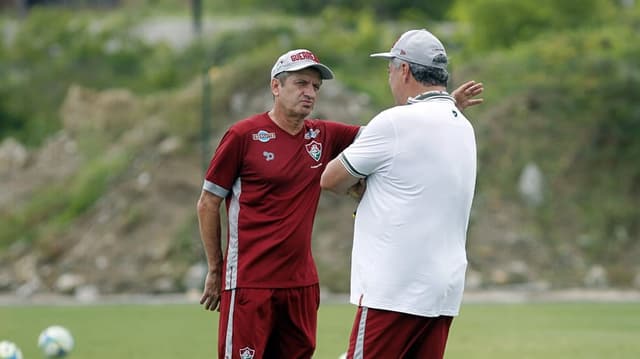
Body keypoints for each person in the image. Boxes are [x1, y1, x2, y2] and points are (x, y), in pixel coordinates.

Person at [197, 48, 482, 359]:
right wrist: (216, 269)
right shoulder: (243, 136)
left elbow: (398, 134)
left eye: (315, 87)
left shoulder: (322, 135)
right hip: (250, 283)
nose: (309, 93)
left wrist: (444, 107)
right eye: (301, 84)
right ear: (276, 87)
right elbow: (208, 203)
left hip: (301, 285)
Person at [320, 29, 479, 359]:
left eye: (390, 68)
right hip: (443, 289)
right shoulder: (462, 125)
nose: (389, 77)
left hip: (395, 288)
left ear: (404, 70)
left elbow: (330, 179)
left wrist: (361, 189)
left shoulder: (394, 122)